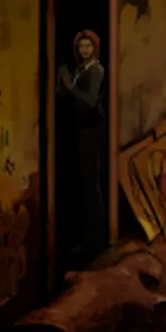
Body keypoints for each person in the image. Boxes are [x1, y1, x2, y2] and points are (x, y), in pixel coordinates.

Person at [57, 29, 107, 263]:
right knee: (85, 184)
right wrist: (63, 86)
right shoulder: (81, 69)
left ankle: (96, 241)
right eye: (81, 46)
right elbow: (67, 96)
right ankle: (89, 238)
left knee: (91, 185)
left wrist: (69, 86)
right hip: (82, 130)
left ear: (95, 48)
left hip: (92, 131)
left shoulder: (95, 70)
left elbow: (91, 101)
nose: (84, 50)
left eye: (88, 46)